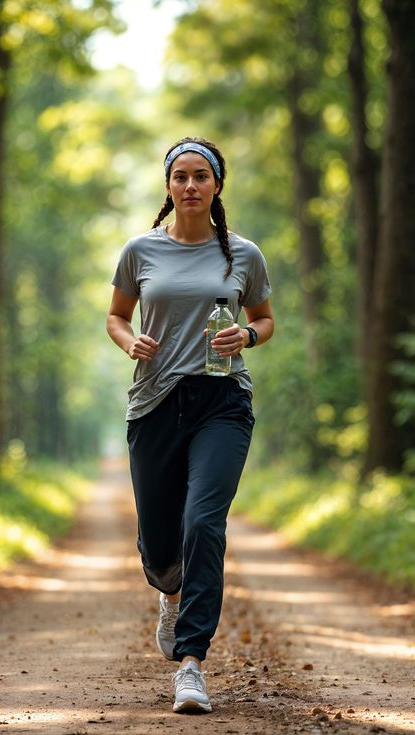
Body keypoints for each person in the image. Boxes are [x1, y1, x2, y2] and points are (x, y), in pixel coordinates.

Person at [106, 136, 275, 714]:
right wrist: (132, 342)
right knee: (159, 545)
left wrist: (247, 336)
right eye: (180, 176)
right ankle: (169, 588)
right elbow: (115, 315)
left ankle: (191, 664)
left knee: (204, 520)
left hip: (222, 400)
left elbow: (266, 319)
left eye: (201, 176)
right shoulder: (140, 251)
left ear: (217, 185)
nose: (190, 186)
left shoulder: (244, 255)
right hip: (154, 401)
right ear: (168, 186)